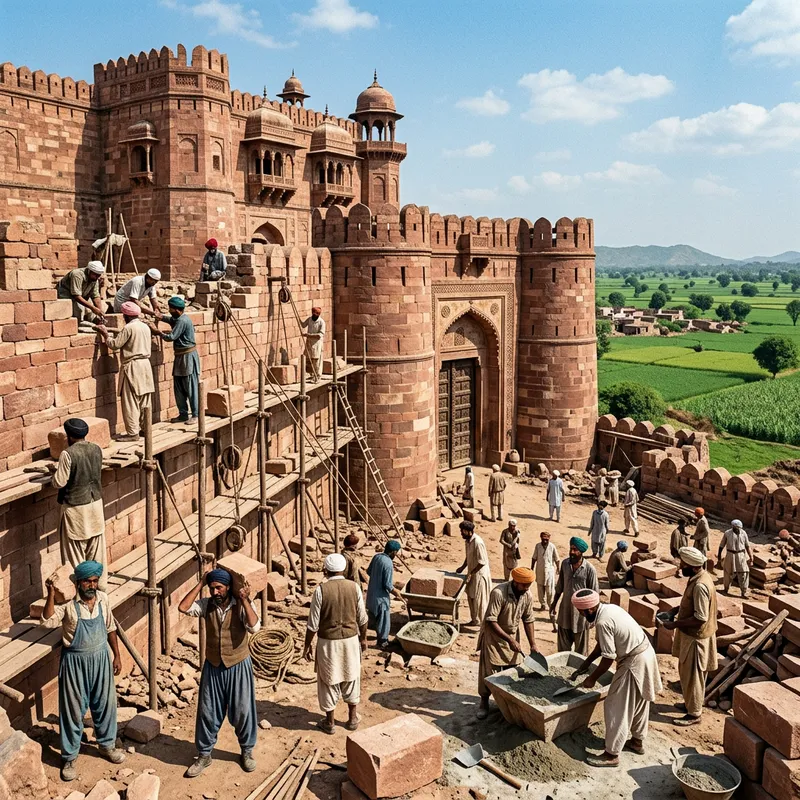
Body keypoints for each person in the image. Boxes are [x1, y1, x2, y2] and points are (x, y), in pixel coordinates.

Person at [41, 560, 124, 782]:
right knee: (73, 711)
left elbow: (110, 628)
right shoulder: (69, 606)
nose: (92, 585)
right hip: (75, 663)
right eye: (88, 581)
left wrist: (116, 655)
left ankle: (106, 745)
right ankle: (69, 757)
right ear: (78, 583)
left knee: (106, 704)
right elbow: (47, 621)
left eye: (95, 581)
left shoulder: (103, 600)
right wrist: (50, 593)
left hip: (101, 658)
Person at [178, 564, 260, 778]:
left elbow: (254, 626)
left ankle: (247, 751)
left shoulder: (241, 606)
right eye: (212, 588)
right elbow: (183, 608)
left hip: (238, 666)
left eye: (219, 588)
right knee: (207, 712)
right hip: (213, 666)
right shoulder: (206, 605)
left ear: (228, 588)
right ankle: (204, 755)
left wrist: (244, 599)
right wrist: (200, 583)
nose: (215, 592)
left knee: (243, 711)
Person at [570, 589, 662, 767]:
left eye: (581, 612)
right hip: (646, 653)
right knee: (640, 702)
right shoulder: (609, 609)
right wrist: (586, 663)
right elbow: (602, 644)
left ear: (589, 609)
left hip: (633, 661)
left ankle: (611, 754)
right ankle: (637, 742)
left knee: (616, 706)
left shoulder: (603, 622)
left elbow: (608, 656)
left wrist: (592, 678)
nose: (580, 615)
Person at [303, 553, 368, 734]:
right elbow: (362, 619)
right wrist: (363, 639)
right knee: (351, 676)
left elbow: (312, 624)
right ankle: (352, 718)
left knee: (328, 680)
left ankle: (330, 722)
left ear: (326, 570)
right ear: (343, 570)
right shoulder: (354, 587)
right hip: (350, 641)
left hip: (328, 643)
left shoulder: (320, 590)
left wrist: (307, 645)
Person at [661, 546, 718, 727]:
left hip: (696, 640)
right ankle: (689, 704)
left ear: (693, 566)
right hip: (692, 636)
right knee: (686, 673)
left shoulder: (700, 585)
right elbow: (692, 606)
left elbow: (700, 617)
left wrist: (674, 624)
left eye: (683, 564)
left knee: (693, 676)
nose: (680, 567)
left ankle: (694, 714)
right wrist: (675, 610)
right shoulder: (699, 577)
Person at [51, 419, 107, 590]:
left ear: (69, 437)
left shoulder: (67, 454)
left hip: (76, 509)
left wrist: (54, 474)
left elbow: (59, 482)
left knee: (75, 556)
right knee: (97, 553)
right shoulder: (96, 449)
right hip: (96, 506)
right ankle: (100, 587)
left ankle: (81, 591)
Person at [477, 567, 539, 719]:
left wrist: (533, 645)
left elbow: (528, 619)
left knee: (513, 670)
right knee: (488, 672)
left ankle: (507, 702)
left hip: (511, 636)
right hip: (494, 637)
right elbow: (491, 620)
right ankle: (484, 701)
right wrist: (510, 640)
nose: (526, 588)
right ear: (516, 582)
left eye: (529, 585)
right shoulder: (499, 593)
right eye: (524, 585)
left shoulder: (527, 595)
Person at [96, 302, 154, 442]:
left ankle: (133, 433)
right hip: (145, 366)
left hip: (133, 366)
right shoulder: (144, 326)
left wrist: (105, 334)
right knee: (145, 400)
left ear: (125, 316)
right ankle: (146, 428)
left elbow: (114, 344)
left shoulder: (129, 328)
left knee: (131, 400)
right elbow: (129, 337)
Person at [151, 297, 200, 422]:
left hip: (187, 357)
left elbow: (171, 337)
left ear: (177, 310)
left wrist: (158, 332)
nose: (170, 310)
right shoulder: (178, 318)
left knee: (190, 386)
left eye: (171, 309)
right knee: (178, 387)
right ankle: (183, 414)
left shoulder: (182, 321)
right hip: (180, 356)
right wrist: (161, 317)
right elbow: (171, 320)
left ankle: (195, 414)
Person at [551, 537, 598, 655]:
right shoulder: (565, 564)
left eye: (575, 550)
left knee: (581, 653)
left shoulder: (589, 569)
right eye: (571, 549)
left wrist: (593, 618)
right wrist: (553, 604)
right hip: (565, 613)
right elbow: (559, 586)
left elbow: (594, 594)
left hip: (582, 616)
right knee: (562, 651)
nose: (571, 552)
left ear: (581, 552)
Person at [366, 540, 403, 649]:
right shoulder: (388, 563)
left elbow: (368, 572)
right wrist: (397, 593)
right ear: (394, 552)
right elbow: (387, 584)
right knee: (383, 620)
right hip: (381, 598)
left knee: (373, 618)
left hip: (371, 595)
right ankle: (382, 642)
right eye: (396, 552)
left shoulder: (376, 557)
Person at [456, 520, 493, 626]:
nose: (461, 533)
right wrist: (462, 567)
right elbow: (468, 556)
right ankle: (474, 620)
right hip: (471, 573)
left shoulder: (478, 542)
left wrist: (471, 573)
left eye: (462, 531)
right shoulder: (467, 541)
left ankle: (485, 625)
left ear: (469, 531)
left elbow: (482, 562)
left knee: (480, 600)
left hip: (480, 575)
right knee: (471, 597)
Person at [718, 519, 753, 598]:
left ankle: (744, 592)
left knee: (744, 573)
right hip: (730, 555)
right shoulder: (727, 533)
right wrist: (719, 556)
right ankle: (725, 589)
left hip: (741, 555)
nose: (738, 529)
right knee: (727, 572)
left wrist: (751, 557)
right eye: (736, 528)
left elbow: (747, 546)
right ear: (733, 527)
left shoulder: (744, 533)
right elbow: (721, 545)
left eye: (739, 528)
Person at [531, 531, 559, 615]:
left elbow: (557, 559)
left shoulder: (552, 546)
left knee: (550, 591)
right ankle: (542, 605)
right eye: (543, 539)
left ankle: (551, 606)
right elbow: (534, 558)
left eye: (546, 539)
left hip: (549, 571)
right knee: (540, 589)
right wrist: (531, 568)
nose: (545, 541)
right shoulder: (538, 546)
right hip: (539, 570)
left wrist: (558, 568)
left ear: (549, 539)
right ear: (541, 538)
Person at [301, 306, 326, 382]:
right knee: (308, 359)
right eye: (312, 313)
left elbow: (320, 335)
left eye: (315, 313)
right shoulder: (310, 319)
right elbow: (303, 325)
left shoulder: (321, 322)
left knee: (316, 361)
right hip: (309, 343)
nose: (313, 314)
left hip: (317, 344)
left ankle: (317, 377)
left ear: (318, 314)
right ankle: (312, 375)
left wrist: (308, 335)